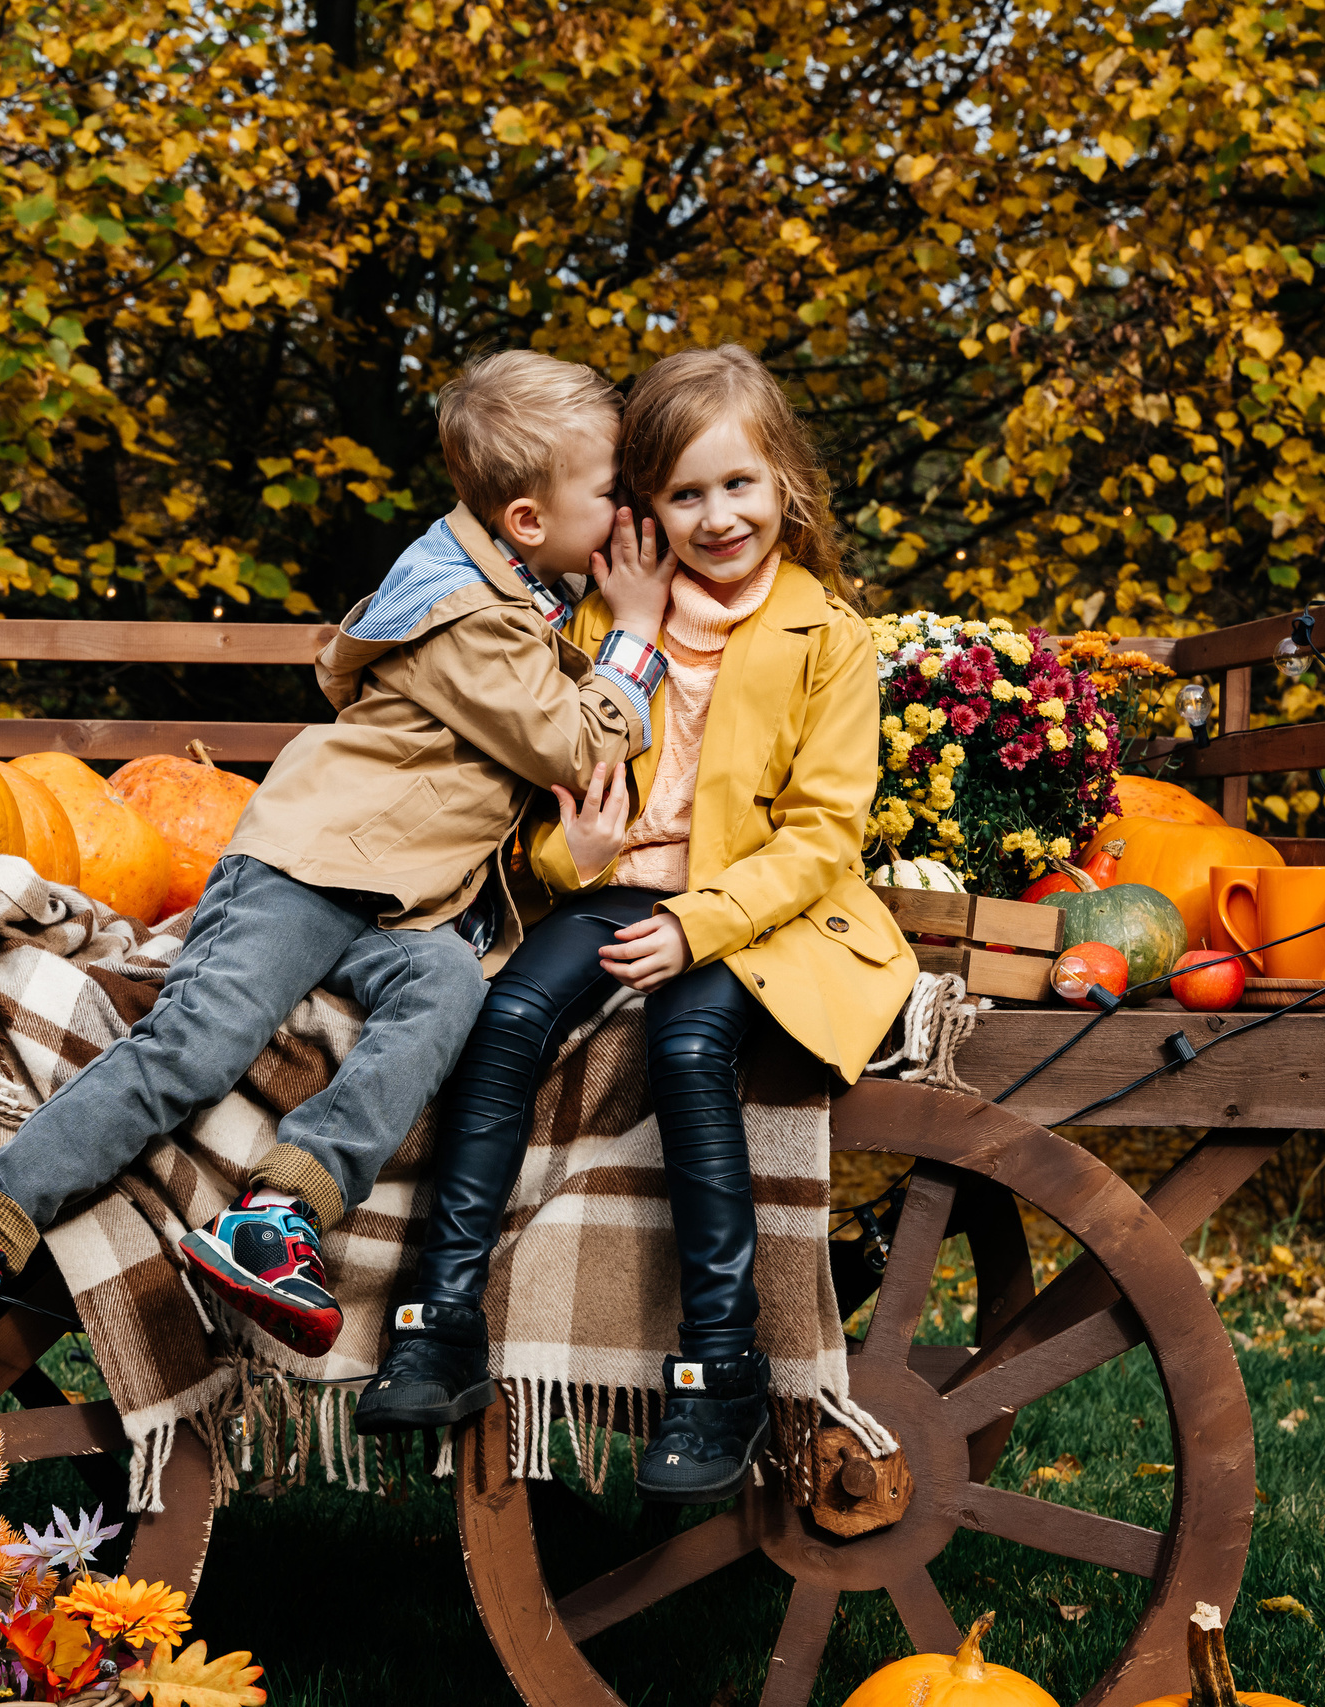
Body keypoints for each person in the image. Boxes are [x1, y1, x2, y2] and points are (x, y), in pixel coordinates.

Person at [0, 350, 679, 1394]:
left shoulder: (528, 590)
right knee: (193, 1047)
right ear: (527, 521)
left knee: (441, 991)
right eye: (613, 491)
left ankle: (278, 1211)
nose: (629, 514)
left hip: (401, 906)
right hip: (307, 869)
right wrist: (642, 636)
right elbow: (573, 746)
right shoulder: (470, 614)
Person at [354, 346, 917, 1503]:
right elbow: (559, 824)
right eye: (686, 494)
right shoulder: (617, 628)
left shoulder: (831, 640)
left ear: (785, 487)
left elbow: (820, 837)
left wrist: (699, 924)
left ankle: (722, 1364)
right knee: (506, 1014)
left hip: (759, 913)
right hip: (620, 890)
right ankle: (441, 1316)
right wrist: (584, 857)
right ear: (645, 512)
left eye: (740, 486)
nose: (719, 516)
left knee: (689, 1043)